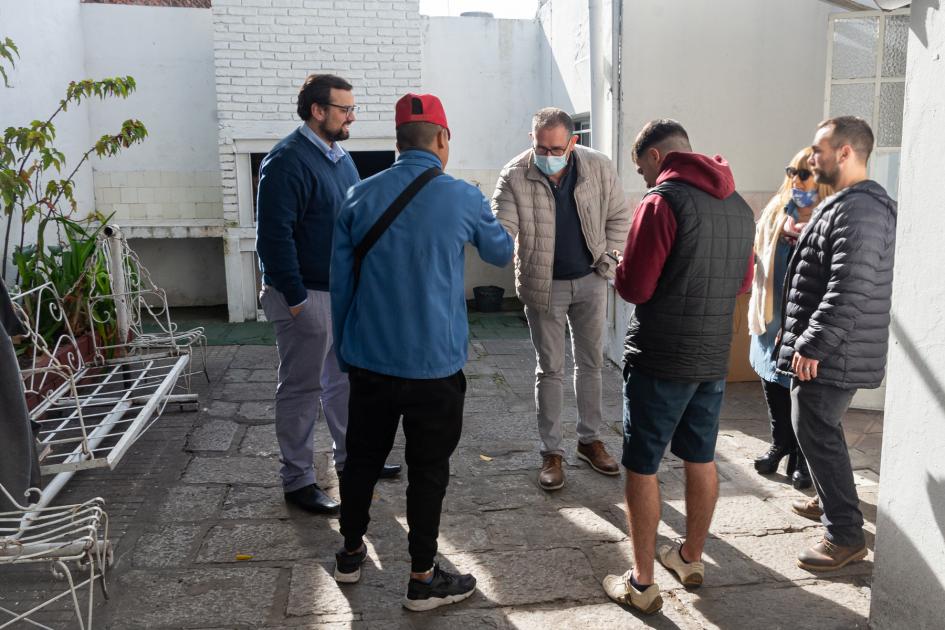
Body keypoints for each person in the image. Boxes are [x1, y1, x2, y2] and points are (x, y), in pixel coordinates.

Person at [330, 93, 513, 611]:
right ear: (442, 139)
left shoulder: (358, 196)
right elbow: (501, 252)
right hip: (436, 366)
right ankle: (421, 578)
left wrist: (346, 352)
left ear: (396, 142)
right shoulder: (464, 196)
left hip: (369, 359)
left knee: (361, 459)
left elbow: (341, 285)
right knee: (428, 470)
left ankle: (348, 555)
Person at [602, 119, 754, 614]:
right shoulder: (737, 206)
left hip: (660, 358)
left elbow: (636, 287)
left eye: (640, 167)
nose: (642, 178)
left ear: (655, 156)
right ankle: (689, 558)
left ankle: (642, 583)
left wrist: (618, 267)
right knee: (701, 455)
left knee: (641, 466)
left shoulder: (661, 201)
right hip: (710, 357)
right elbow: (740, 282)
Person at [255, 73, 400, 516]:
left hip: (340, 293)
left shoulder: (338, 155)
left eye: (352, 108)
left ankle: (351, 460)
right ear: (318, 111)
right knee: (301, 389)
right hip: (306, 297)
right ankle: (298, 480)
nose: (352, 116)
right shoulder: (286, 161)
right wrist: (297, 300)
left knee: (341, 383)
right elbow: (273, 238)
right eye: (345, 109)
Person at [776, 116, 896, 572]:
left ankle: (844, 536)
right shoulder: (847, 205)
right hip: (835, 347)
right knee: (819, 428)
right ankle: (833, 502)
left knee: (816, 429)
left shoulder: (861, 209)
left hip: (835, 350)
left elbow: (851, 285)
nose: (811, 158)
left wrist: (813, 343)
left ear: (845, 152)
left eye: (818, 149)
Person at [492, 107, 630, 491]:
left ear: (573, 142)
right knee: (549, 369)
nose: (547, 155)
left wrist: (606, 261)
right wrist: (490, 238)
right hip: (543, 286)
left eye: (555, 147)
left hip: (590, 279)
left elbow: (619, 217)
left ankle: (589, 441)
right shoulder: (514, 174)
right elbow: (502, 228)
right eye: (540, 146)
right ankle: (551, 452)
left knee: (592, 364)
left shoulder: (598, 167)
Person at [748, 148, 833, 490]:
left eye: (805, 174)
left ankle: (799, 455)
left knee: (798, 388)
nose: (796, 180)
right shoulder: (776, 209)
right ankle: (779, 442)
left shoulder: (830, 217)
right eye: (793, 172)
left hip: (803, 317)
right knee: (772, 383)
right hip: (771, 313)